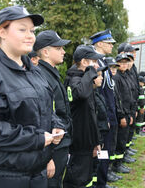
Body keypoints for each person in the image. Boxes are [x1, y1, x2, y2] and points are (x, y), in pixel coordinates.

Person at [0, 5, 65, 188]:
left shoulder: (34, 72)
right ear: (2, 32)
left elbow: (45, 109)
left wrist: (55, 127)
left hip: (35, 173)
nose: (30, 36)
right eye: (22, 29)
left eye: (32, 30)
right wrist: (36, 138)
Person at [33, 30, 72, 188]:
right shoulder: (41, 75)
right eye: (59, 48)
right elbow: (42, 117)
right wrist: (48, 157)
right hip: (52, 148)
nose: (63, 51)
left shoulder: (51, 73)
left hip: (60, 144)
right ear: (46, 52)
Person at [63, 45, 102, 188]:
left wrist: (95, 141)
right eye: (94, 61)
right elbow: (81, 93)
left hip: (87, 140)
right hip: (78, 142)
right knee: (77, 180)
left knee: (86, 178)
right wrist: (90, 72)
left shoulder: (83, 79)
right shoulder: (74, 79)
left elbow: (91, 113)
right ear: (84, 62)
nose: (97, 66)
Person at [90, 30, 121, 185]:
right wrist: (103, 118)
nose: (111, 46)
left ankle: (102, 180)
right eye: (109, 43)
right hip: (101, 116)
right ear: (100, 44)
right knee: (100, 151)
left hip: (108, 114)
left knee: (106, 151)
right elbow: (96, 94)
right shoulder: (93, 62)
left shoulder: (102, 62)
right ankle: (98, 182)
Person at [112, 53, 134, 174]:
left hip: (127, 112)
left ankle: (119, 162)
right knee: (119, 141)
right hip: (122, 114)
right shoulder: (117, 77)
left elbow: (129, 96)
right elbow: (118, 98)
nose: (124, 64)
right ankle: (116, 165)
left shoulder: (125, 75)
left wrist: (130, 113)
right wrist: (122, 116)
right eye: (122, 62)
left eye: (126, 62)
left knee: (123, 139)